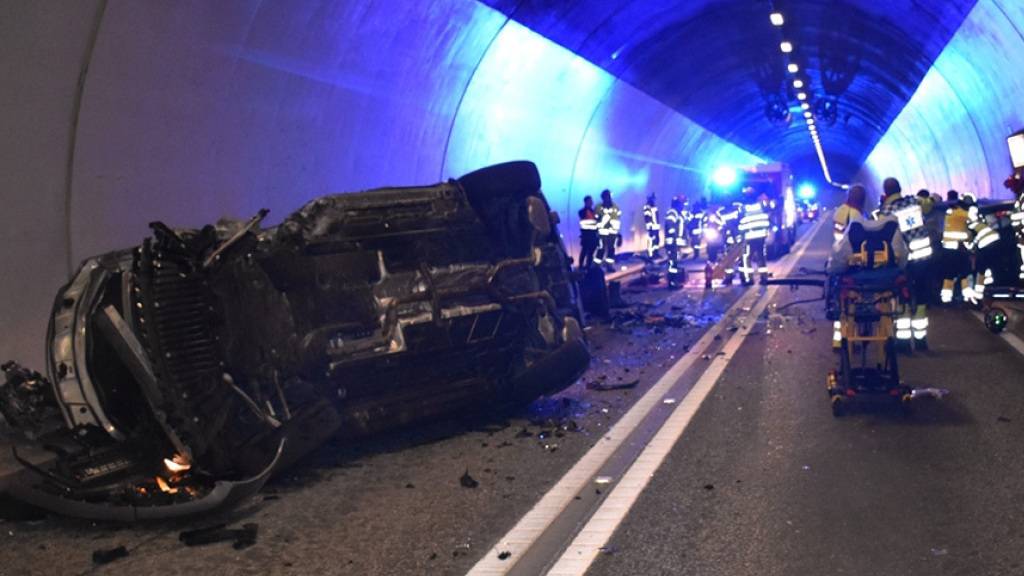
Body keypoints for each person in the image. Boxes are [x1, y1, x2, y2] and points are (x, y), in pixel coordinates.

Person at [877, 178, 933, 349]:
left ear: (885, 193)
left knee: (902, 299)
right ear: (900, 189)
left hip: (903, 262)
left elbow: (882, 237)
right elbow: (930, 203)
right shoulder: (914, 202)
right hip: (923, 259)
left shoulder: (886, 211)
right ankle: (921, 340)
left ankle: (903, 343)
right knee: (922, 298)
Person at [940, 191, 974, 304]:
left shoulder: (949, 212)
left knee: (949, 273)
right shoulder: (961, 212)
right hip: (958, 249)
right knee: (965, 270)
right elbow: (972, 220)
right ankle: (967, 296)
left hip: (947, 249)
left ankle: (946, 297)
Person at [735, 187, 771, 285]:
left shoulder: (743, 208)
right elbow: (767, 216)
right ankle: (764, 278)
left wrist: (739, 235)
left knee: (746, 258)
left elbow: (741, 223)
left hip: (749, 236)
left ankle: (749, 279)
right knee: (761, 257)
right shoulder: (760, 205)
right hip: (761, 235)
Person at [664, 196, 689, 289]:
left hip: (676, 243)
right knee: (672, 263)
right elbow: (670, 225)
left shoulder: (679, 214)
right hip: (672, 242)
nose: (683, 206)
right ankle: (672, 282)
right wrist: (674, 237)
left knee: (675, 262)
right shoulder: (672, 213)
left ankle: (675, 281)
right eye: (682, 204)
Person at [595, 189, 622, 272]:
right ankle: (597, 267)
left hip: (613, 233)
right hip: (602, 233)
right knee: (601, 250)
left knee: (611, 250)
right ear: (603, 198)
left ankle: (609, 266)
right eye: (606, 197)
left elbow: (617, 220)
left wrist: (618, 234)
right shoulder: (598, 207)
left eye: (608, 197)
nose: (608, 198)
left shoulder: (616, 207)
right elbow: (596, 220)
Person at [578, 195, 599, 269]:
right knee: (584, 250)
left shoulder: (593, 212)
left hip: (593, 235)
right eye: (590, 201)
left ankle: (588, 265)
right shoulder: (582, 211)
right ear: (586, 202)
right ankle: (581, 266)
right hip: (586, 235)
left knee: (591, 251)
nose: (591, 202)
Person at [642, 193, 661, 259]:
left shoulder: (653, 206)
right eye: (653, 199)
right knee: (651, 240)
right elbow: (647, 217)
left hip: (656, 227)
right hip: (651, 227)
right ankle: (650, 255)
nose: (654, 200)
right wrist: (650, 227)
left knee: (656, 240)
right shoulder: (647, 207)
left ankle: (655, 253)